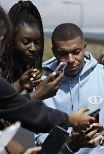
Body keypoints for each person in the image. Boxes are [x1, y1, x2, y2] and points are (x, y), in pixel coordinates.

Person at [0, 4, 94, 153]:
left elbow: (7, 103)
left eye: (37, 42)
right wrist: (72, 119)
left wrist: (19, 85)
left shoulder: (22, 71)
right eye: (26, 42)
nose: (33, 48)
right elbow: (18, 110)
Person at [35, 23, 104, 154]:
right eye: (63, 53)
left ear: (84, 47)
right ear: (54, 51)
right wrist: (70, 144)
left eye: (76, 52)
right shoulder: (44, 86)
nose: (71, 59)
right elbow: (40, 137)